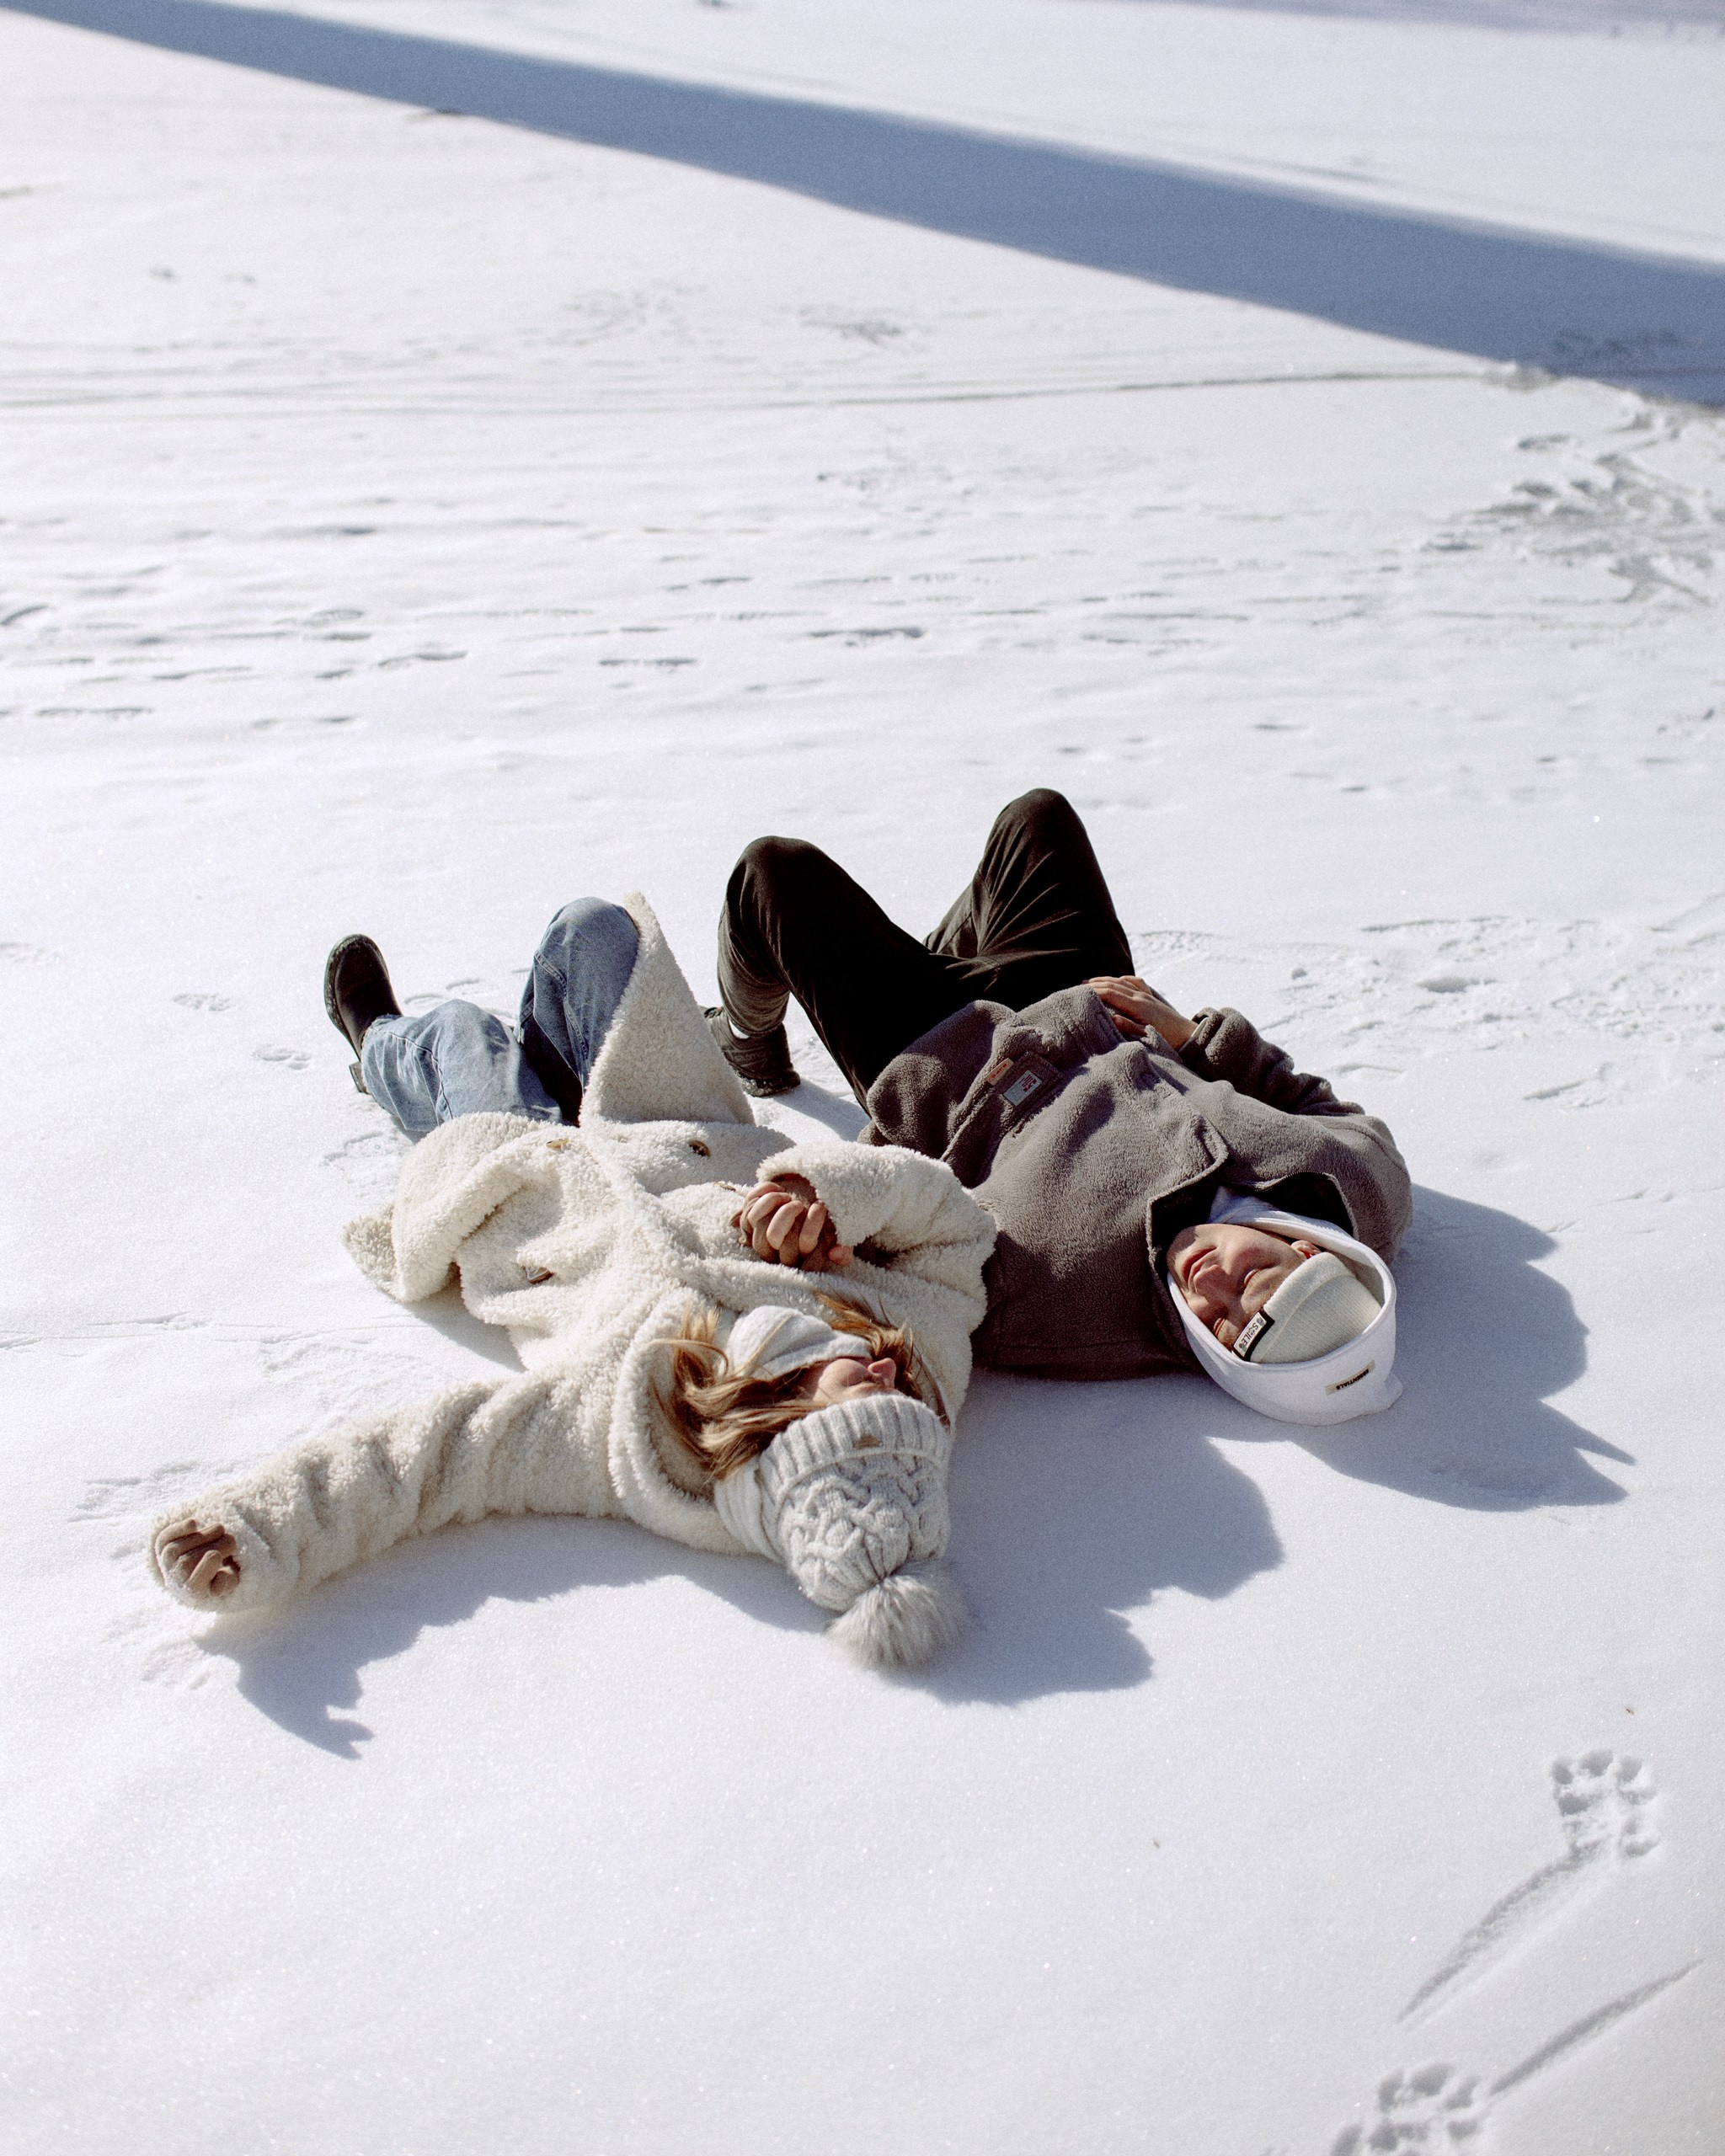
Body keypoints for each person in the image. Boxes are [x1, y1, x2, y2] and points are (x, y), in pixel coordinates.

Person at [147, 894, 995, 1668]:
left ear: (791, 1425)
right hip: (666, 1117)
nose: (887, 1372)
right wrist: (826, 1193)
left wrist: (258, 1528)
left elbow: (438, 1456)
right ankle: (550, 1059)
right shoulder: (915, 1347)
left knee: (457, 1038)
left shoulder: (628, 1432)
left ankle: (380, 1048)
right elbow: (955, 1229)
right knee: (593, 931)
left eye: (865, 1396)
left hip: (527, 1182)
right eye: (907, 1405)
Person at [709, 790, 1412, 1426]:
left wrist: (825, 1205)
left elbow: (915, 1246)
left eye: (1221, 1325)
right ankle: (948, 961)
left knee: (773, 872)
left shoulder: (1059, 1311)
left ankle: (748, 1036)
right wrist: (1190, 1037)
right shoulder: (1356, 1187)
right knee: (1037, 817)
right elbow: (1318, 1106)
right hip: (1087, 995)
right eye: (1254, 1280)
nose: (1213, 1284)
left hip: (940, 1050)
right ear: (1308, 1249)